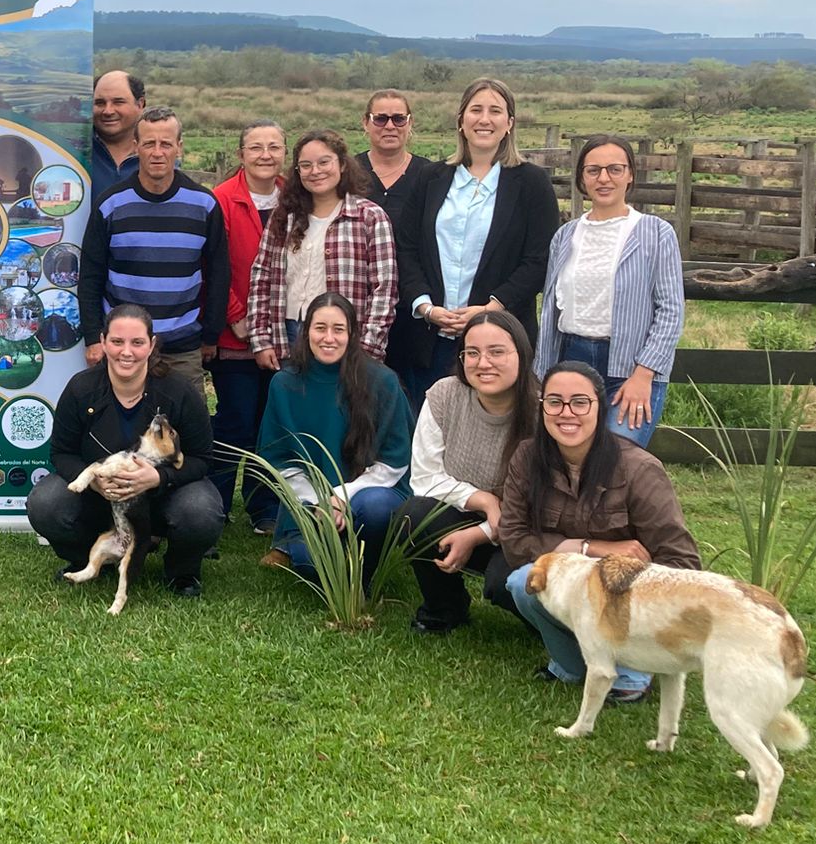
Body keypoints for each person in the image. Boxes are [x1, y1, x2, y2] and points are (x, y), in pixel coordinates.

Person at [499, 361, 701, 703]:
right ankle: (571, 664)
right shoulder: (527, 457)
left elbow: (682, 563)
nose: (567, 413)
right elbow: (514, 540)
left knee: (604, 590)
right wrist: (588, 547)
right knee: (522, 581)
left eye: (580, 402)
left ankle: (634, 669)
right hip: (577, 581)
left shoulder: (640, 469)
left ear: (599, 407)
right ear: (542, 406)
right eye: (555, 402)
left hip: (631, 594)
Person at [29, 305, 223, 600]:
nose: (126, 352)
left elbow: (202, 459)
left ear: (152, 345)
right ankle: (88, 561)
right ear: (103, 342)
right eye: (117, 342)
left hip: (163, 498)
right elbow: (61, 453)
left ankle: (181, 572)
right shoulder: (81, 389)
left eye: (137, 342)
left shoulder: (179, 391)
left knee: (201, 509)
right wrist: (94, 482)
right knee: (45, 502)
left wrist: (158, 477)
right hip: (100, 501)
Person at [395, 77, 558, 407]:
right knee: (429, 434)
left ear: (510, 123)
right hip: (430, 339)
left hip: (500, 340)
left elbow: (538, 260)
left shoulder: (531, 183)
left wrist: (490, 310)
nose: (485, 119)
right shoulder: (430, 178)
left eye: (495, 111)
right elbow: (406, 249)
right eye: (476, 110)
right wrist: (426, 307)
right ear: (461, 120)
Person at [390, 310, 538, 633]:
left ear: (522, 354)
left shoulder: (541, 413)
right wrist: (484, 500)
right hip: (466, 513)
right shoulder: (445, 395)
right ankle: (444, 608)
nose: (483, 363)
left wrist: (477, 535)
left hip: (525, 531)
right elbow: (425, 478)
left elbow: (539, 509)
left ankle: (554, 630)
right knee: (413, 514)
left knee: (505, 584)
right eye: (472, 353)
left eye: (496, 352)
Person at [535, 135, 685, 446]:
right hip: (571, 361)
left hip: (631, 368)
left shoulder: (656, 233)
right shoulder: (565, 236)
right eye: (593, 170)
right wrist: (543, 372)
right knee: (570, 457)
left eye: (614, 169)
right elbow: (552, 308)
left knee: (620, 458)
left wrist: (643, 375)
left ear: (630, 175)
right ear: (582, 178)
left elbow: (671, 310)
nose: (604, 178)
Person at [255, 292, 411, 575]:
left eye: (338, 329)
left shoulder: (383, 381)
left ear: (352, 334)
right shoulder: (284, 384)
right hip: (312, 502)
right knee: (309, 565)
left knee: (375, 508)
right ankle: (323, 553)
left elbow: (396, 460)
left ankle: (368, 563)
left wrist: (341, 496)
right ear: (306, 333)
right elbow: (278, 460)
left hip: (370, 495)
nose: (329, 338)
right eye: (320, 328)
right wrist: (321, 503)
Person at [78, 106, 228, 391]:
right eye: (149, 144)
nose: (157, 152)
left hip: (182, 346)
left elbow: (219, 273)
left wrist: (211, 334)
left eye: (166, 144)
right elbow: (90, 276)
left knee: (185, 431)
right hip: (125, 348)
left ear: (179, 148)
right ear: (136, 147)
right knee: (122, 430)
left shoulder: (204, 204)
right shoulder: (110, 204)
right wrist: (92, 338)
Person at [247, 128, 397, 366]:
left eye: (324, 162)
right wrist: (261, 339)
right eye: (305, 165)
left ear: (343, 165)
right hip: (290, 334)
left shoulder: (369, 217)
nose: (315, 171)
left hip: (345, 338)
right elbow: (261, 276)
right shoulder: (286, 216)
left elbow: (384, 290)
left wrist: (368, 347)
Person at [208, 120, 285, 524]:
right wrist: (236, 314)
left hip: (284, 335)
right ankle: (215, 505)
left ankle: (263, 507)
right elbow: (213, 264)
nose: (265, 155)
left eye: (274, 147)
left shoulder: (297, 198)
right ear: (241, 154)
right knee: (235, 422)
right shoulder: (221, 200)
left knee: (270, 423)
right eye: (256, 147)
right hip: (234, 335)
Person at [356, 89, 433, 229]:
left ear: (410, 123)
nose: (390, 126)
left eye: (399, 119)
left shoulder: (430, 175)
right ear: (366, 123)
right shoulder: (349, 172)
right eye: (380, 119)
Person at [88, 70, 144, 200]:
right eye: (100, 103)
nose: (108, 111)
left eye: (118, 102)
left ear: (140, 104)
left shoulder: (156, 152)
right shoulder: (75, 150)